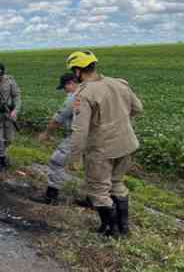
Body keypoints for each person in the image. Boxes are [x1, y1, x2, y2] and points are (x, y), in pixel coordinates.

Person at [67, 50, 143, 237]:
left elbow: (80, 130)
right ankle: (124, 228)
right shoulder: (119, 83)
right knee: (117, 183)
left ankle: (111, 231)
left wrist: (75, 158)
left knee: (99, 190)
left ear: (78, 71)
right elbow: (138, 109)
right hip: (126, 144)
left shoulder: (83, 94)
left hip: (102, 149)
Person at [31, 73, 78, 205]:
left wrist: (46, 133)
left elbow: (58, 119)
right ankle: (95, 200)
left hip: (78, 135)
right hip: (98, 136)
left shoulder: (74, 97)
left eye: (65, 87)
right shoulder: (92, 92)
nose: (65, 90)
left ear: (71, 83)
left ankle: (51, 197)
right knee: (93, 167)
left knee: (56, 161)